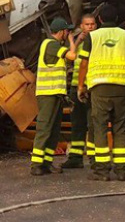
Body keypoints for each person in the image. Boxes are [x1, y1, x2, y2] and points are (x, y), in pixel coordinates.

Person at [78, 4, 125, 181]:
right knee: (121, 128)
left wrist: (80, 86)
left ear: (99, 20)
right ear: (116, 19)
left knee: (99, 127)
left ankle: (102, 171)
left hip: (99, 88)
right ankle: (123, 170)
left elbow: (83, 63)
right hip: (122, 87)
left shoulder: (92, 36)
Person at [31, 17, 78, 176]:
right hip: (47, 94)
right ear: (62, 31)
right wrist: (72, 40)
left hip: (55, 94)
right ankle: (36, 164)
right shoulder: (51, 44)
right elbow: (72, 56)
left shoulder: (54, 45)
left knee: (54, 129)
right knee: (44, 128)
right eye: (67, 31)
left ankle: (47, 162)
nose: (68, 34)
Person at [62, 14, 97, 169]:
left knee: (93, 124)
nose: (90, 27)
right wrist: (76, 41)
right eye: (87, 24)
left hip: (91, 87)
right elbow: (70, 58)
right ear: (81, 26)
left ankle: (95, 158)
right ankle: (75, 157)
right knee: (77, 123)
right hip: (76, 87)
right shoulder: (80, 42)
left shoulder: (97, 40)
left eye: (92, 24)